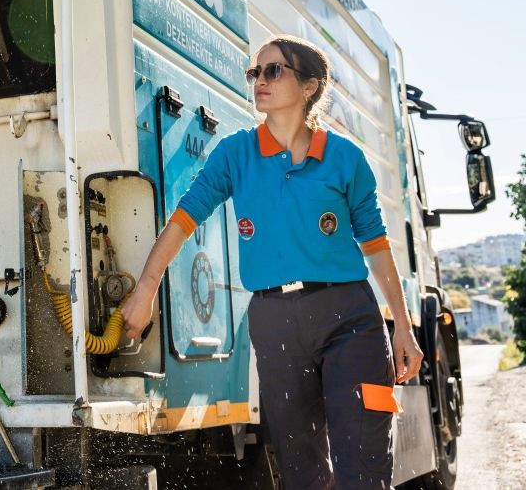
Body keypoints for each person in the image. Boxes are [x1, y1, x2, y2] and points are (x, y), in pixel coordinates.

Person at [119, 34, 424, 489]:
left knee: (363, 469)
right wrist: (145, 289)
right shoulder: (235, 154)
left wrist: (402, 324)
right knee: (301, 473)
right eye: (255, 72)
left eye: (273, 70)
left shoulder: (345, 158)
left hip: (351, 323)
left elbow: (377, 247)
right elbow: (182, 221)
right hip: (275, 324)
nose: (259, 80)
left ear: (309, 87)